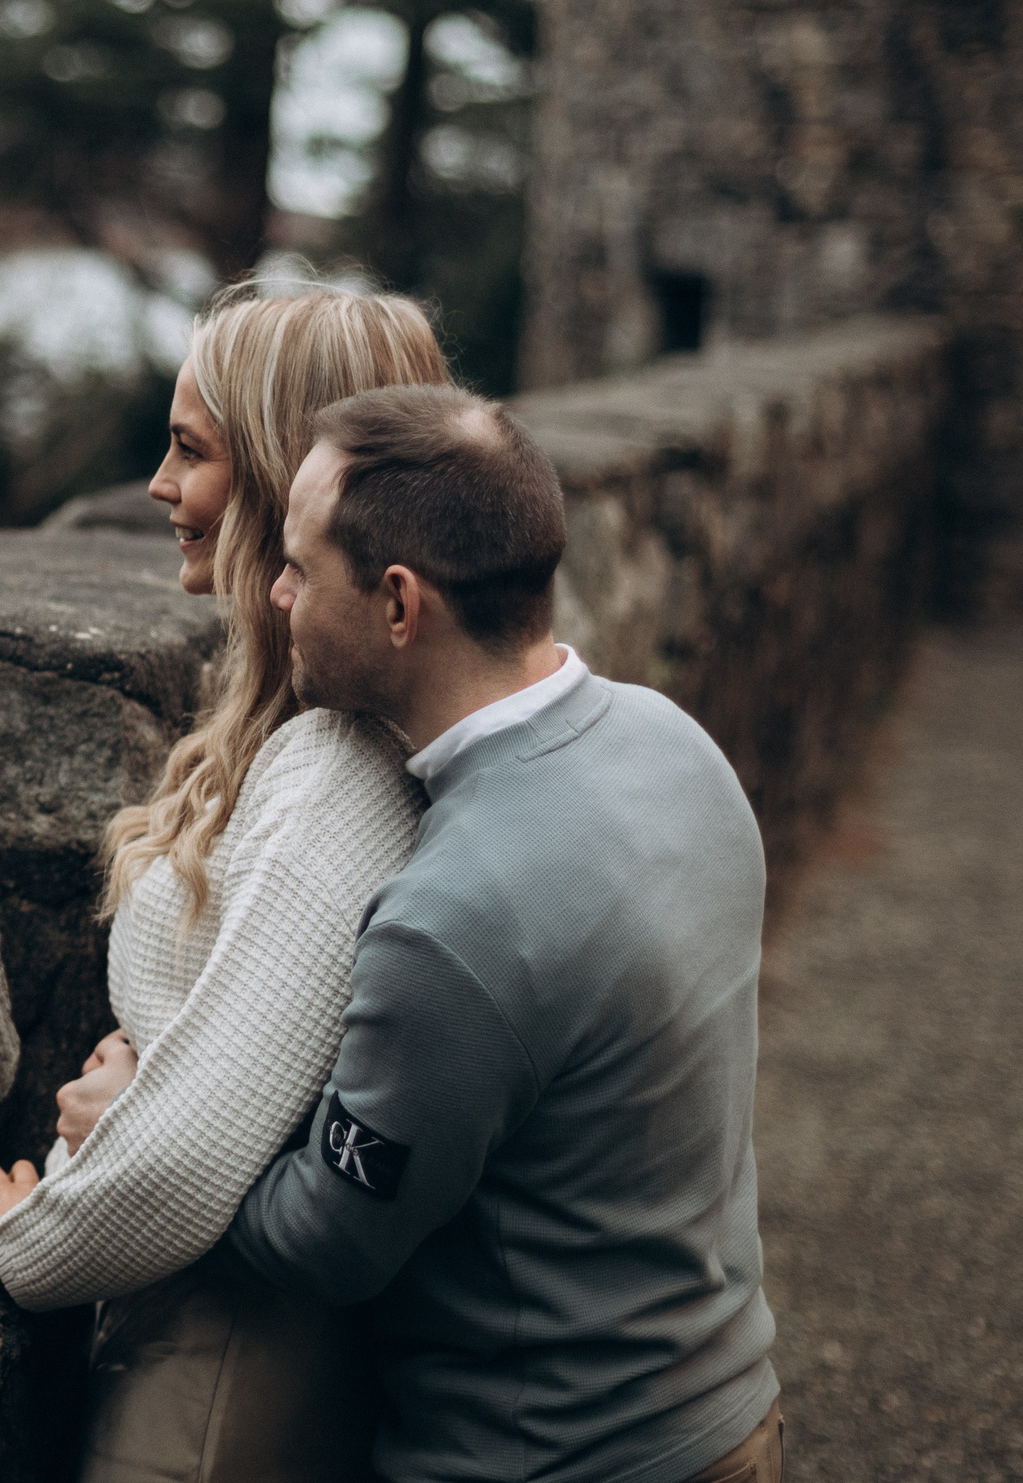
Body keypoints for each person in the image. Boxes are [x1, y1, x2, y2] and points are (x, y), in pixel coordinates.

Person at [227, 382, 783, 1483]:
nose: (276, 594)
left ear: (398, 603)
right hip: (729, 1414)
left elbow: (327, 1243)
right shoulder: (676, 745)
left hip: (549, 1457)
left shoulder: (452, 920)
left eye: (297, 566)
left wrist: (126, 1139)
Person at [0, 282, 447, 1483]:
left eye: (190, 450)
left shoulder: (338, 766)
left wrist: (21, 1241)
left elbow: (201, 1155)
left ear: (288, 480)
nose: (156, 484)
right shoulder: (303, 728)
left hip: (229, 1378)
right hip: (197, 1331)